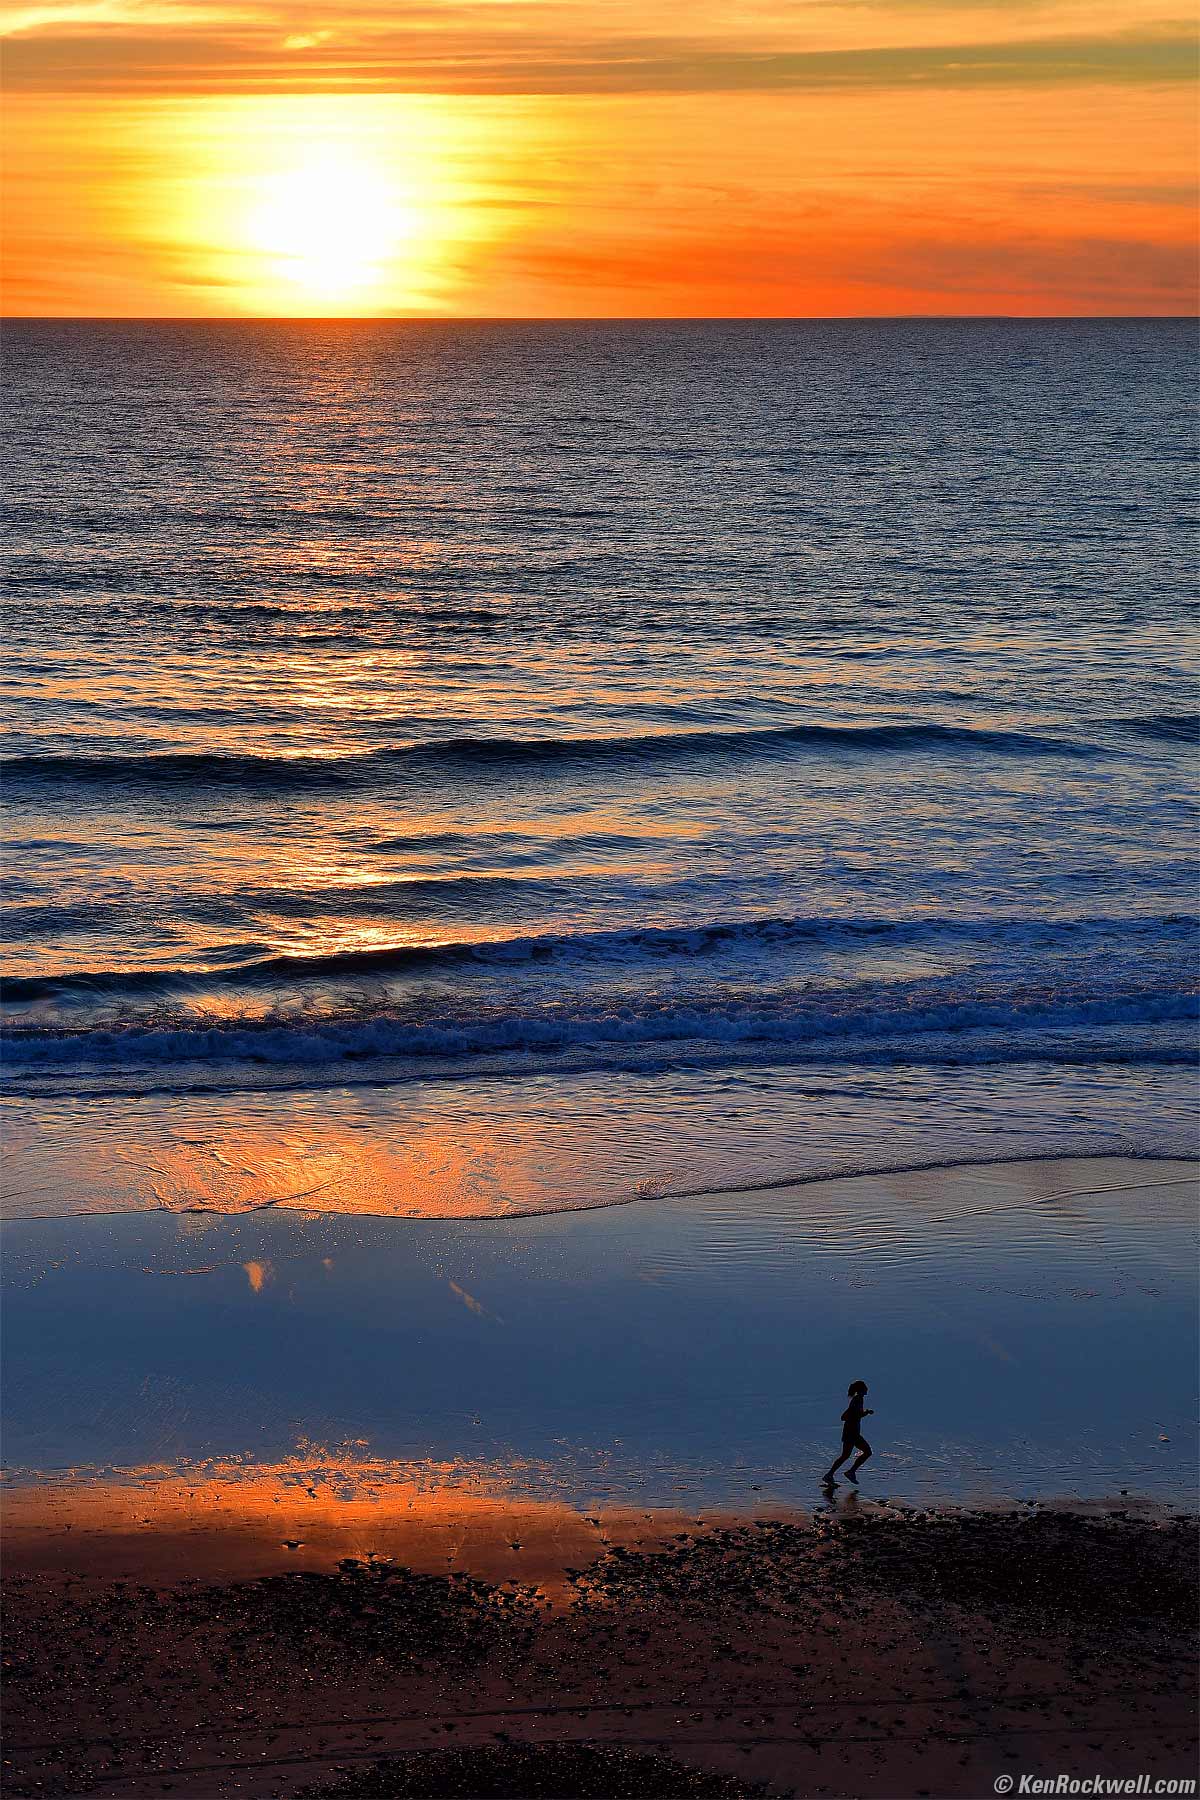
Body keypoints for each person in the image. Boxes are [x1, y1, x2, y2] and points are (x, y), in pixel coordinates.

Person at [823, 1380, 873, 1484]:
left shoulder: (858, 1399)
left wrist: (865, 1412)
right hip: (852, 1433)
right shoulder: (857, 1399)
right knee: (866, 1452)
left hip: (852, 1432)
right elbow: (851, 1415)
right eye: (865, 1387)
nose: (867, 1389)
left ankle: (831, 1474)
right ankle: (848, 1472)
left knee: (846, 1455)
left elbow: (853, 1414)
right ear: (861, 1389)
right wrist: (863, 1413)